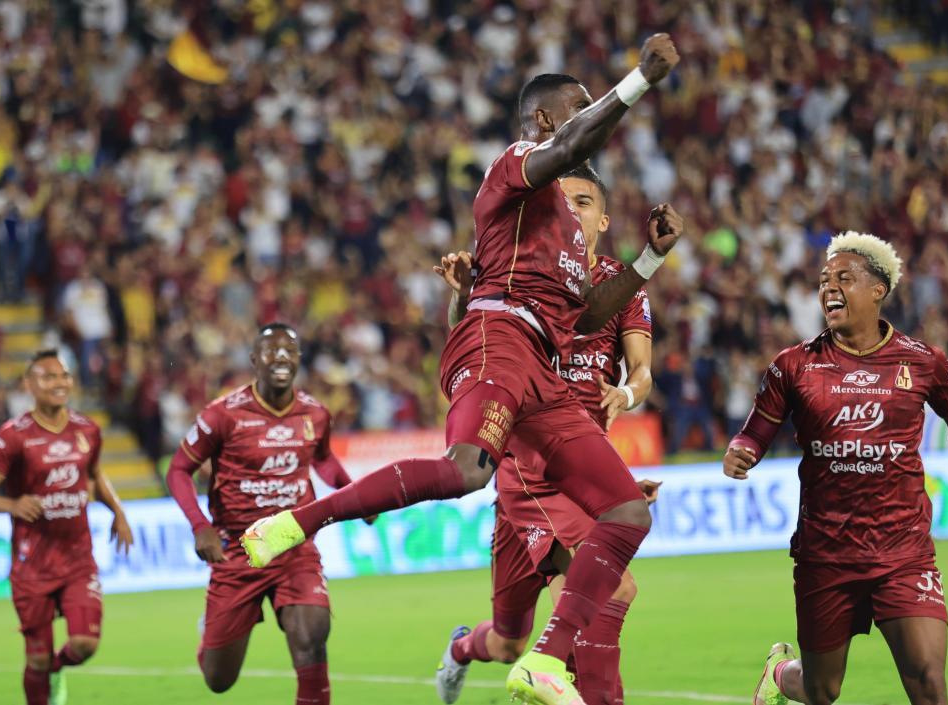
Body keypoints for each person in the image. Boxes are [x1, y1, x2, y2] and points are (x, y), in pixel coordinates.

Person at [244, 35, 682, 705]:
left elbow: (591, 317)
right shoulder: (516, 165)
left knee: (626, 510)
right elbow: (569, 149)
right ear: (543, 120)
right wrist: (637, 83)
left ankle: (544, 660)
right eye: (578, 106)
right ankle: (304, 519)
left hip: (545, 369)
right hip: (496, 335)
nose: (590, 115)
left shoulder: (567, 228)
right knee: (465, 470)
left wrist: (649, 260)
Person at [721, 232, 948, 705]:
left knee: (928, 683)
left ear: (878, 289)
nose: (829, 288)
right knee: (823, 689)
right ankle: (780, 676)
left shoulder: (923, 362)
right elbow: (755, 431)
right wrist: (741, 450)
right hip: (827, 553)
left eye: (843, 278)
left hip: (903, 551)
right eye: (824, 281)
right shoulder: (794, 365)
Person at [432, 166, 658, 705]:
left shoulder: (620, 284)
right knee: (607, 591)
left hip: (575, 463)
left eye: (584, 201)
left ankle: (466, 650)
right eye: (564, 200)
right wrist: (462, 294)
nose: (572, 209)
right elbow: (474, 347)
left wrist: (624, 397)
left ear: (602, 218)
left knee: (510, 639)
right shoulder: (522, 264)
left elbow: (642, 373)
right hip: (524, 457)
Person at [166, 324, 368, 705]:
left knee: (312, 633)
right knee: (218, 679)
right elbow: (178, 470)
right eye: (271, 352)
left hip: (292, 541)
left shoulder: (315, 413)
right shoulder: (222, 415)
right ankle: (209, 634)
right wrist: (199, 526)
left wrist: (355, 496)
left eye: (288, 352)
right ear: (254, 360)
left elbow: (323, 461)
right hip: (237, 549)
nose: (280, 359)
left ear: (298, 361)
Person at [0, 350, 134, 705]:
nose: (59, 384)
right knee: (36, 659)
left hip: (78, 561)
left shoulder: (87, 429)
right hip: (33, 566)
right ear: (29, 385)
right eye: (48, 377)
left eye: (63, 376)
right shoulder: (14, 436)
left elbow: (95, 475)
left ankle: (57, 669)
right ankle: (46, 674)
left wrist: (117, 511)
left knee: (85, 644)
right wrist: (12, 504)